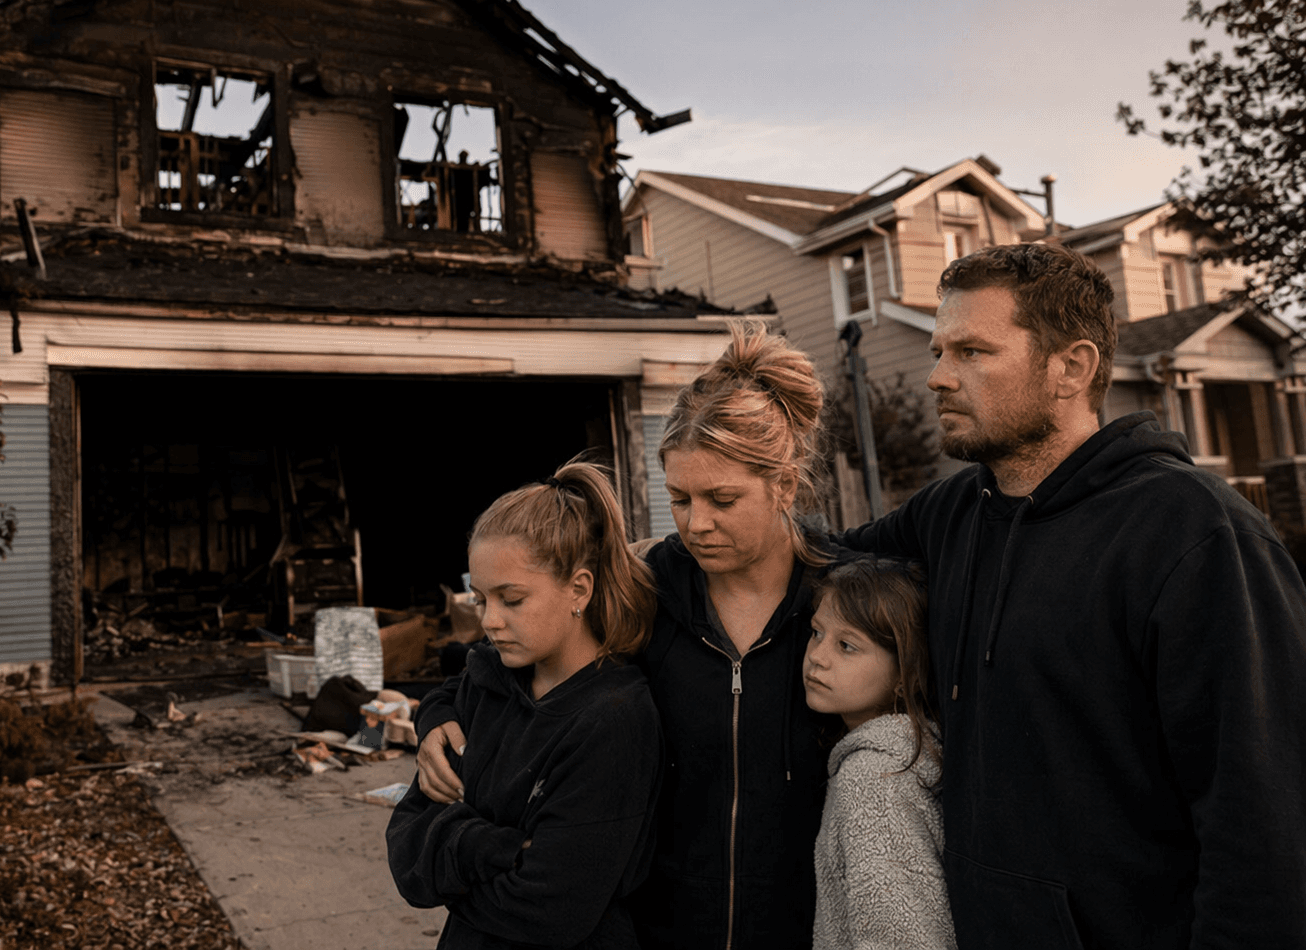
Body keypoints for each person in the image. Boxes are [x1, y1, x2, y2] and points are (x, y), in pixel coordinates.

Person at [842, 242, 1306, 948]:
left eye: (971, 352)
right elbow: (815, 559)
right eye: (940, 351)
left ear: (1071, 367)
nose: (938, 377)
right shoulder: (952, 512)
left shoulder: (1196, 534)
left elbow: (1264, 821)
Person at [420, 320, 833, 949]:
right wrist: (438, 715)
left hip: (802, 930)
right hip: (653, 932)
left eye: (721, 499)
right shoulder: (646, 586)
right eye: (681, 498)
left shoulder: (842, 605)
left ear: (784, 484)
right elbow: (510, 652)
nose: (696, 524)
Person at [386, 460, 662, 949]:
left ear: (579, 589)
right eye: (480, 599)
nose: (490, 620)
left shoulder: (613, 719)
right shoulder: (483, 685)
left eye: (511, 600)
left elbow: (552, 911)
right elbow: (406, 851)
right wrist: (496, 848)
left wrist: (448, 870)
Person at [802, 556, 954, 950]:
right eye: (816, 632)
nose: (817, 656)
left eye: (846, 645)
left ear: (904, 674)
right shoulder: (901, 755)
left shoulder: (874, 780)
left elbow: (900, 935)